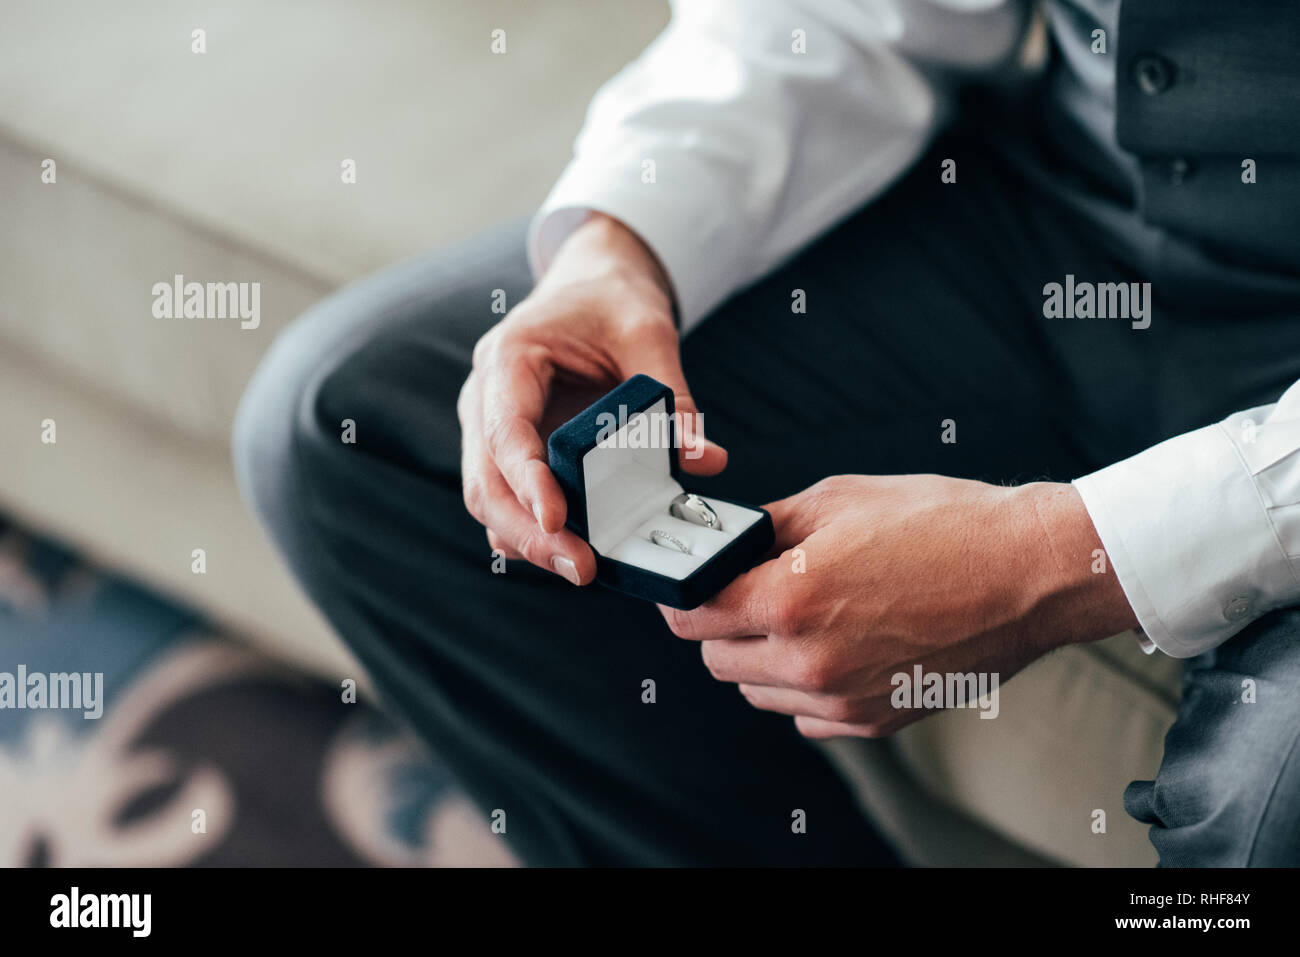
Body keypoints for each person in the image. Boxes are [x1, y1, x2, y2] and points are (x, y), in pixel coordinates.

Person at [234, 0, 1300, 866]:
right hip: (1064, 208)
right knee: (366, 423)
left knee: (1270, 811)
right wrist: (618, 249)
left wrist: (1063, 559)